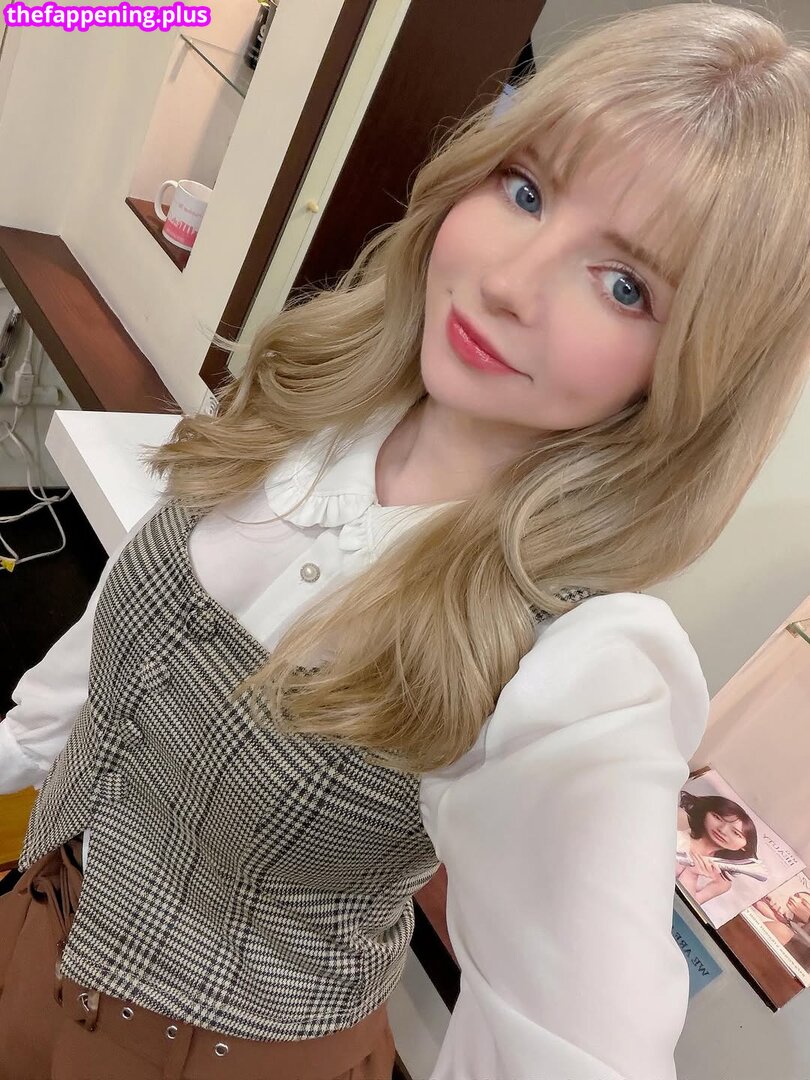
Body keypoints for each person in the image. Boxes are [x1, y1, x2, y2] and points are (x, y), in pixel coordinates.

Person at [2, 3, 810, 1078]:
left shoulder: (587, 666)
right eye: (526, 190)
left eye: (626, 286)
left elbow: (576, 1052)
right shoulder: (319, 395)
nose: (508, 283)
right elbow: (111, 646)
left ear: (700, 369)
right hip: (35, 927)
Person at [675, 794, 757, 905]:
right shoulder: (675, 835)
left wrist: (691, 874)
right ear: (706, 812)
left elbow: (684, 907)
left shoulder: (722, 883)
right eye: (717, 818)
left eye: (736, 833)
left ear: (744, 847)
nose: (722, 830)